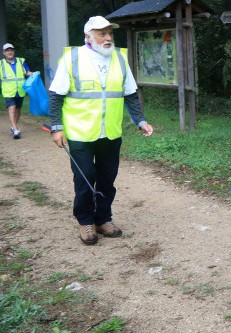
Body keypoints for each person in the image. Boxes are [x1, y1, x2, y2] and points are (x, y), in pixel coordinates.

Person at [48, 16, 154, 245]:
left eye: (109, 33)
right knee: (85, 177)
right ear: (88, 36)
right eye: (101, 33)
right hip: (80, 132)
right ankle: (85, 221)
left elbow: (130, 93)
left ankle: (103, 218)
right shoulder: (72, 58)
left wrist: (140, 120)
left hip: (111, 132)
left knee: (107, 178)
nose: (108, 38)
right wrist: (57, 128)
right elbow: (56, 95)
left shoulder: (119, 57)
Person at [0, 43, 32, 139]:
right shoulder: (0, 63)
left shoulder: (21, 61)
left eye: (11, 50)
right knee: (12, 108)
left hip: (20, 90)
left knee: (18, 110)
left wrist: (34, 74)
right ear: (4, 53)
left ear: (14, 51)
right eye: (7, 50)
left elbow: (27, 72)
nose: (9, 52)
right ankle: (16, 130)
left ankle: (13, 126)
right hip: (8, 91)